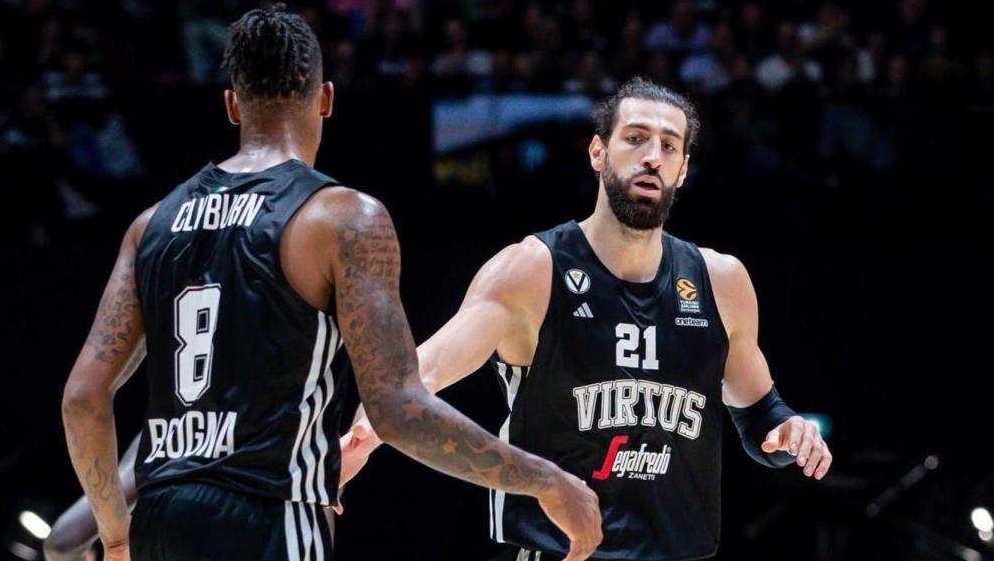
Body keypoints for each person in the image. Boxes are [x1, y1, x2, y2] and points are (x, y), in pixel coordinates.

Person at [60, 4, 601, 561]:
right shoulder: (343, 219)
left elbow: (83, 398)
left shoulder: (151, 225)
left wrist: (117, 532)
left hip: (160, 518)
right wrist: (544, 479)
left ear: (231, 105)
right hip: (268, 516)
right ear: (326, 99)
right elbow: (398, 409)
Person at [340, 77, 833, 560]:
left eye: (669, 146)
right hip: (561, 553)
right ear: (598, 153)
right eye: (636, 138)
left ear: (682, 170)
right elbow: (418, 374)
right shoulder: (532, 268)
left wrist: (791, 433)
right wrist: (364, 433)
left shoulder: (721, 281)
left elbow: (761, 418)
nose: (652, 157)